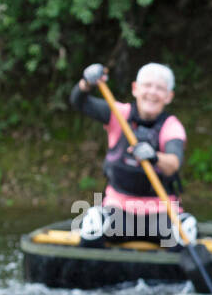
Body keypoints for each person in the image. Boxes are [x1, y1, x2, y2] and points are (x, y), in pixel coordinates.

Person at [69, 62, 196, 248]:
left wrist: (154, 157)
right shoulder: (118, 114)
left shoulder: (171, 126)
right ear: (135, 89)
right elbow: (79, 101)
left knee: (186, 229)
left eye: (160, 88)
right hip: (118, 213)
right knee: (93, 222)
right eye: (147, 85)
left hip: (161, 215)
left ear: (169, 96)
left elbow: (173, 163)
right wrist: (86, 83)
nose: (152, 92)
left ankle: (173, 274)